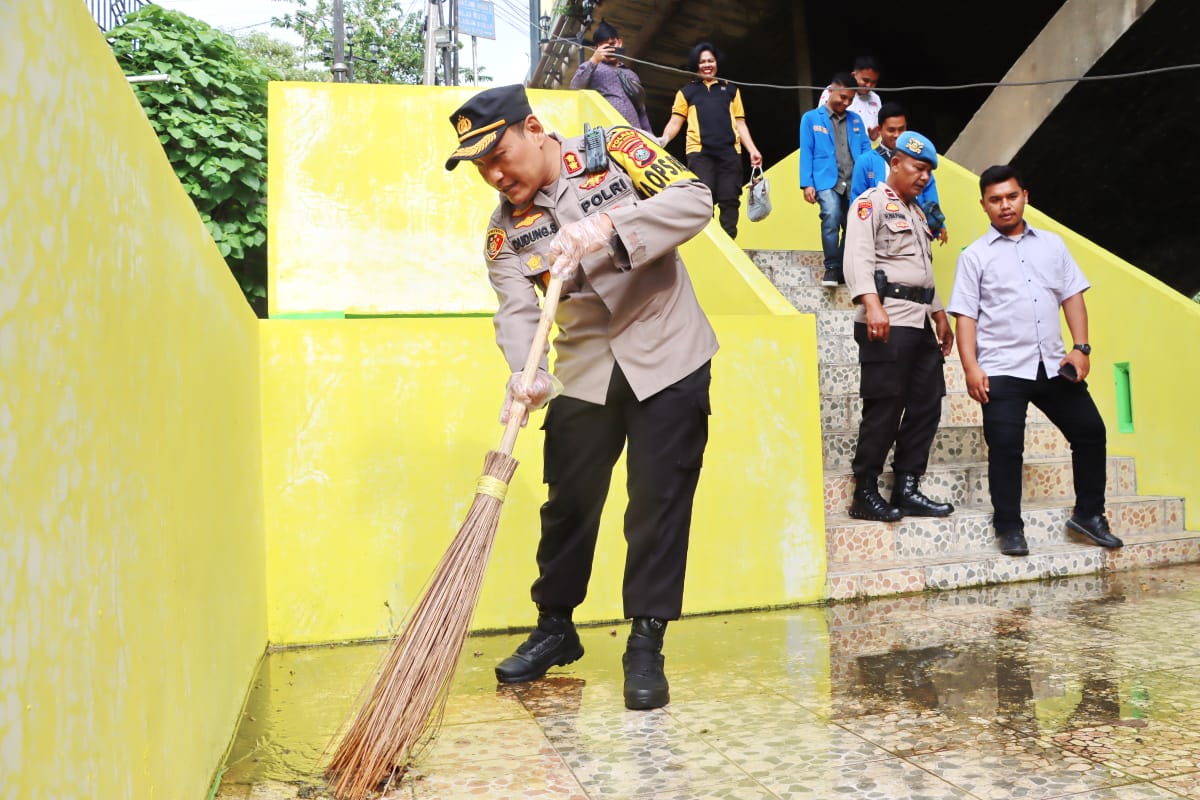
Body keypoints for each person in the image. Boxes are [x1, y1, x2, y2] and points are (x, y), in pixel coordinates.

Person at [444, 84, 718, 710]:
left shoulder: (614, 149)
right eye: (479, 166)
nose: (493, 174)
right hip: (584, 368)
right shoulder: (503, 234)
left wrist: (608, 225)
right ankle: (555, 628)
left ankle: (645, 642)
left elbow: (694, 200)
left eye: (499, 154)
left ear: (534, 128)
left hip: (668, 352)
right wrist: (524, 372)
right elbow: (516, 312)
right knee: (568, 502)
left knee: (657, 499)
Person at [947, 165, 1122, 557]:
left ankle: (1089, 515)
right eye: (995, 200)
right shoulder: (974, 257)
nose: (1005, 206)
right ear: (984, 205)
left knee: (1090, 431)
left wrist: (1082, 347)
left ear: (1025, 196)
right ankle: (1009, 527)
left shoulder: (1053, 245)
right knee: (1006, 446)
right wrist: (971, 368)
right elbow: (966, 317)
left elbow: (1071, 295)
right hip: (1003, 368)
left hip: (1053, 364)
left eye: (1011, 196)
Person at [843, 132, 956, 522]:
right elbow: (856, 255)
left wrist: (940, 315)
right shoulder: (870, 203)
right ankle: (866, 491)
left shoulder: (918, 213)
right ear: (895, 163)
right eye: (917, 167)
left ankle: (907, 486)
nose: (924, 177)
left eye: (928, 171)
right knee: (885, 405)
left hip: (920, 321)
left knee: (927, 403)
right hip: (887, 319)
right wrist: (871, 305)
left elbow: (924, 272)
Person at [658, 41, 763, 240]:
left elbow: (740, 123)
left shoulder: (731, 90)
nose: (707, 65)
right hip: (700, 153)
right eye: (702, 62)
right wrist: (663, 139)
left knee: (730, 199)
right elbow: (675, 122)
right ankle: (709, 245)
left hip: (730, 152)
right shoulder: (686, 92)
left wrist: (753, 150)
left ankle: (730, 244)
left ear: (717, 62)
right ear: (695, 65)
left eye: (710, 61)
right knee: (704, 200)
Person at [800, 72, 872, 286]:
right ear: (831, 90)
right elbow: (807, 151)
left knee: (853, 225)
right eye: (843, 97)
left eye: (850, 99)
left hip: (854, 182)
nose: (846, 103)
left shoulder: (856, 120)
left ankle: (841, 268)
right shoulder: (811, 118)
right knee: (831, 215)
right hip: (825, 181)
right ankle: (831, 268)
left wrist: (871, 179)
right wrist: (807, 183)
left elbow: (867, 151)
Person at [851, 102, 949, 245]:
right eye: (891, 130)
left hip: (916, 232)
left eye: (901, 129)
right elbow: (857, 200)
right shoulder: (865, 161)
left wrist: (939, 224)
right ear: (879, 130)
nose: (897, 135)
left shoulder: (919, 162)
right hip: (880, 235)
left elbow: (930, 198)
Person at [568, 20, 652, 131]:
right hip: (608, 134)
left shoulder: (632, 75)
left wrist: (651, 137)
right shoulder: (591, 68)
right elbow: (575, 88)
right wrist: (594, 60)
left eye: (612, 44)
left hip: (635, 135)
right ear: (596, 49)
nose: (610, 49)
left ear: (620, 43)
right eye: (604, 47)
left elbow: (641, 110)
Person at [818, 55, 883, 141]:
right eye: (865, 80)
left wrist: (874, 137)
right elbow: (821, 123)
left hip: (866, 149)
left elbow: (878, 130)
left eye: (873, 82)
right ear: (854, 75)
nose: (869, 86)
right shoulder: (834, 90)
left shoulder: (875, 98)